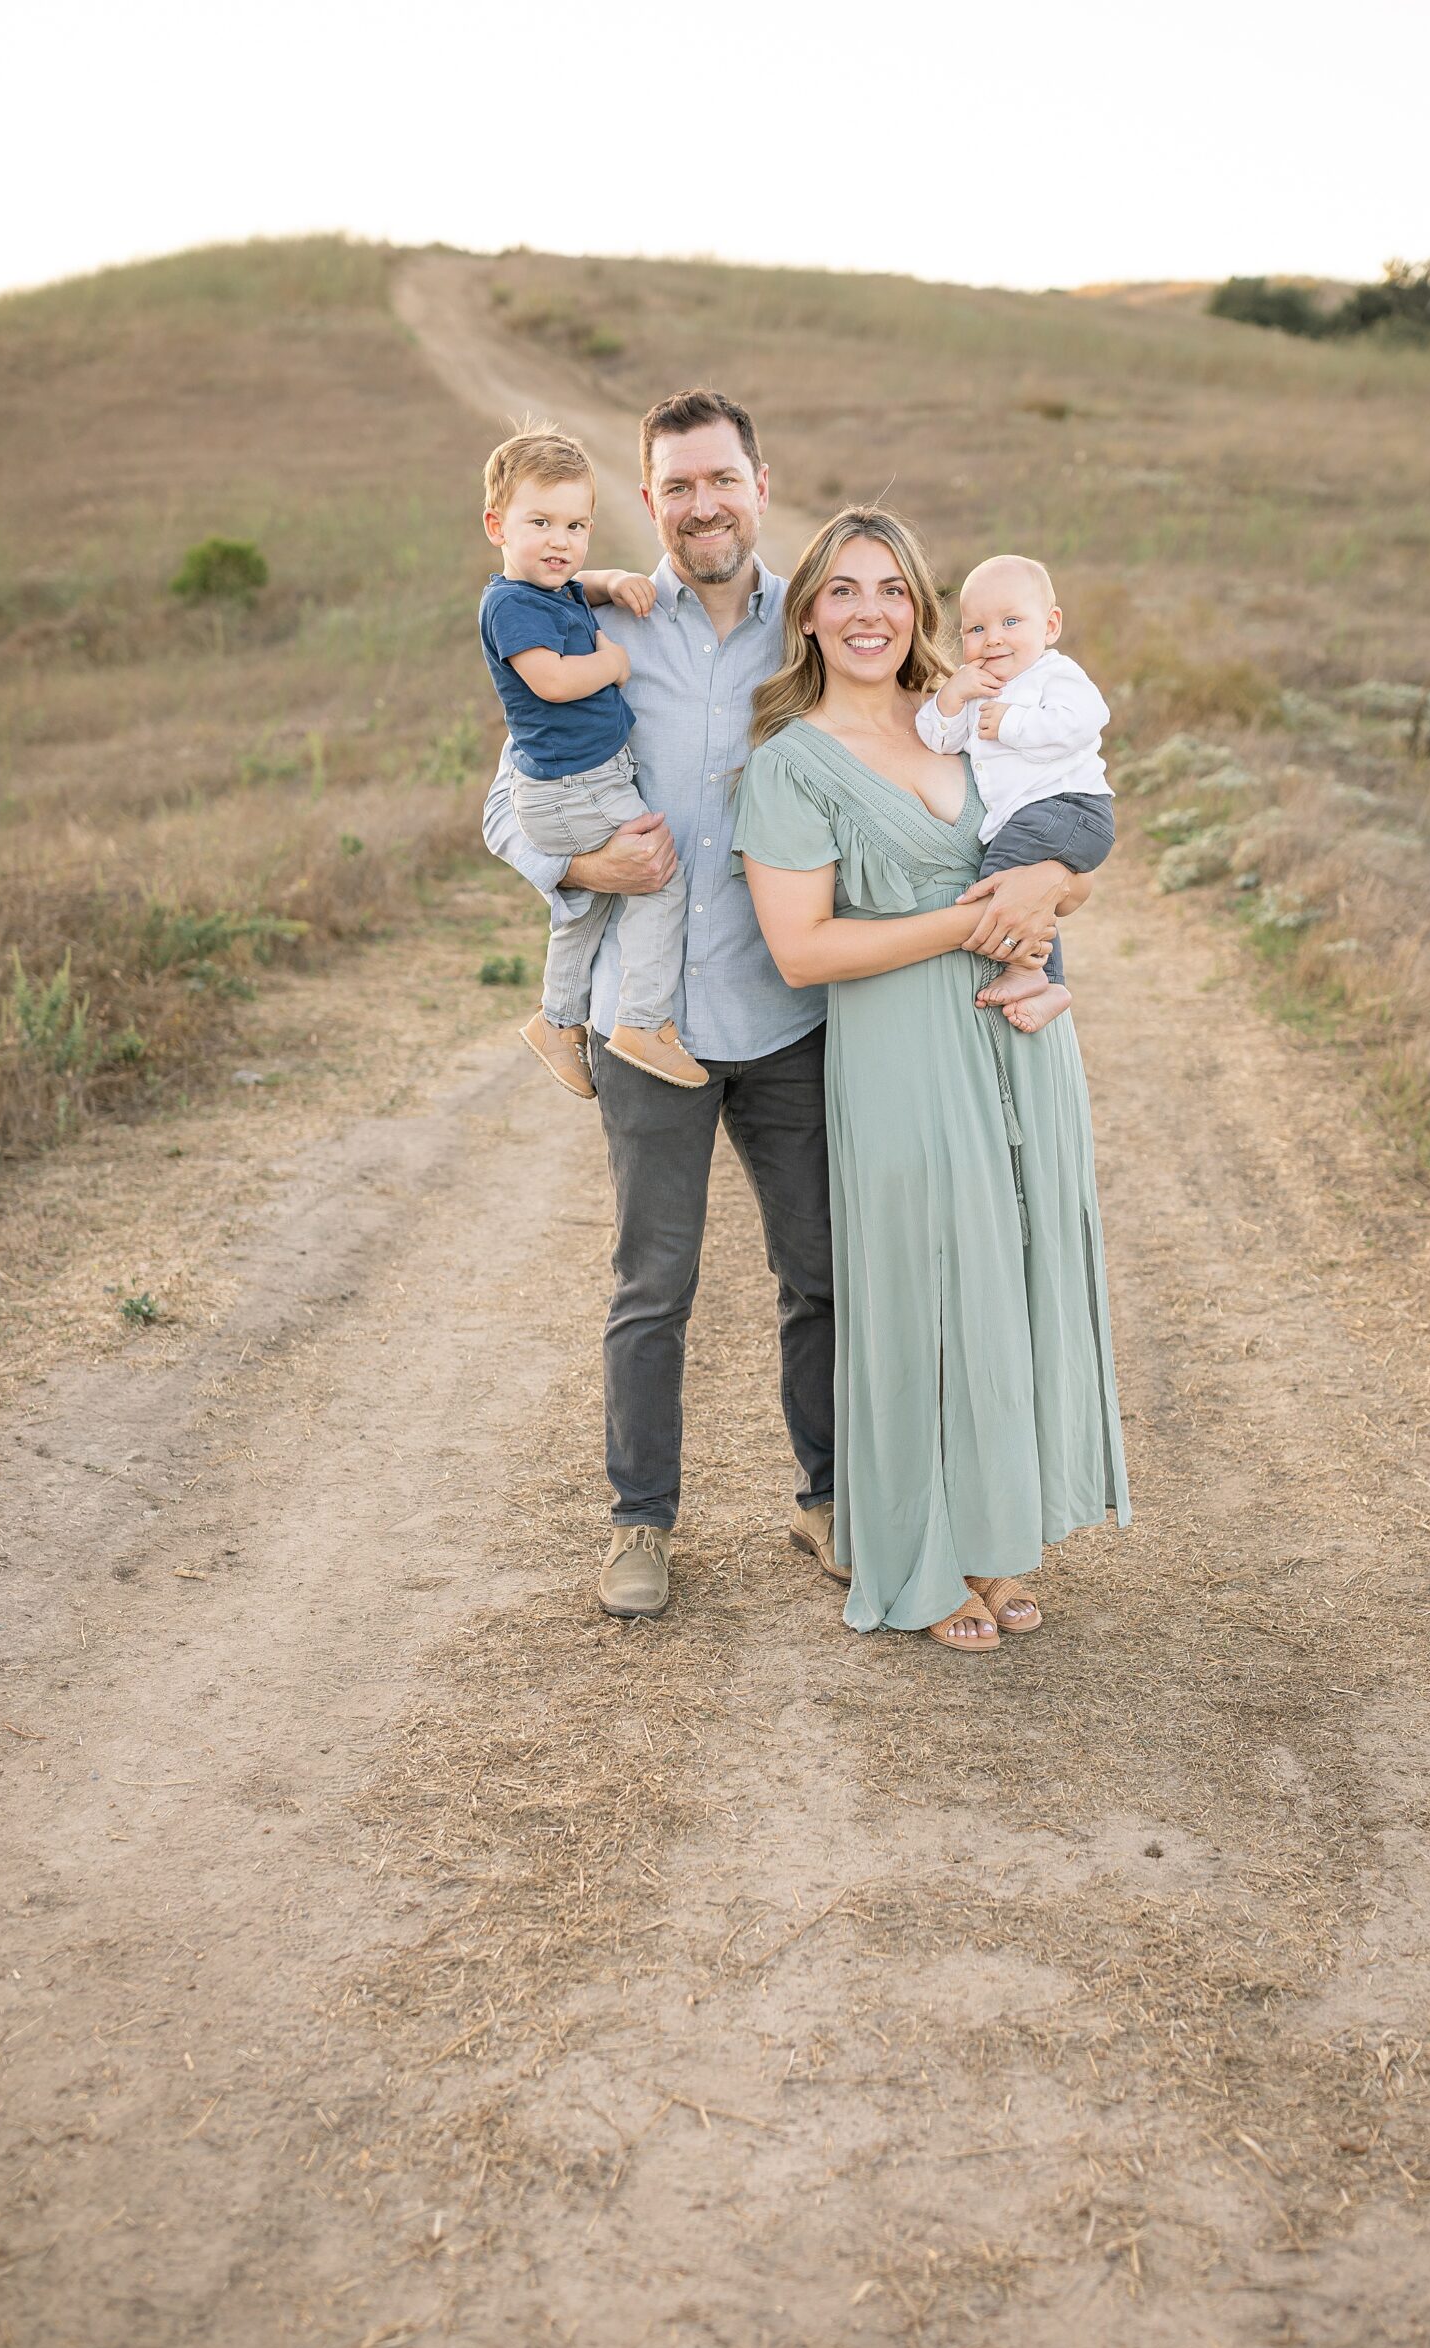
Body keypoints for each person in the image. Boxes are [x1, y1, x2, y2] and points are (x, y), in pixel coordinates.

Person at [732, 509, 1130, 1653]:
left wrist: (1047, 880)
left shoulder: (965, 714)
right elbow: (804, 951)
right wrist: (966, 922)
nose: (870, 613)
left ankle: (1001, 1542)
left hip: (1021, 1042)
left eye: (893, 590)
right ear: (808, 611)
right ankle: (918, 1553)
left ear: (921, 607)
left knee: (1013, 1279)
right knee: (928, 1295)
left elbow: (1070, 871)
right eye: (844, 591)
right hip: (902, 1050)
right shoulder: (790, 761)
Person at [481, 390, 843, 1622]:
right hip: (652, 1028)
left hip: (787, 1011)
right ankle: (641, 1524)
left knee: (823, 1272)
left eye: (722, 480)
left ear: (758, 481)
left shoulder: (815, 626)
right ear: (651, 502)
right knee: (653, 1285)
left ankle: (831, 1499)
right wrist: (581, 868)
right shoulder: (596, 618)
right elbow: (508, 799)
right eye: (677, 486)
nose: (702, 505)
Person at [478, 425, 704, 1094]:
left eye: (576, 525)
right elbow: (549, 680)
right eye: (540, 522)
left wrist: (612, 581)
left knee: (590, 905)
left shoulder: (552, 590)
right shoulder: (509, 606)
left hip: (571, 789)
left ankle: (556, 1020)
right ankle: (643, 1022)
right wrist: (610, 663)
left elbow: (581, 584)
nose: (561, 541)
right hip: (578, 788)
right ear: (497, 525)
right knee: (658, 881)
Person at [915, 553, 1114, 1035]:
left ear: (1050, 625)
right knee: (1018, 885)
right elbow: (939, 740)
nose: (993, 638)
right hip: (1038, 819)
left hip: (1072, 808)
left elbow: (1086, 720)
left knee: (1000, 881)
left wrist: (1014, 724)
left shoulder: (1054, 674)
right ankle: (1050, 983)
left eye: (1010, 622)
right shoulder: (979, 687)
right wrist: (952, 697)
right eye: (976, 629)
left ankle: (1027, 969)